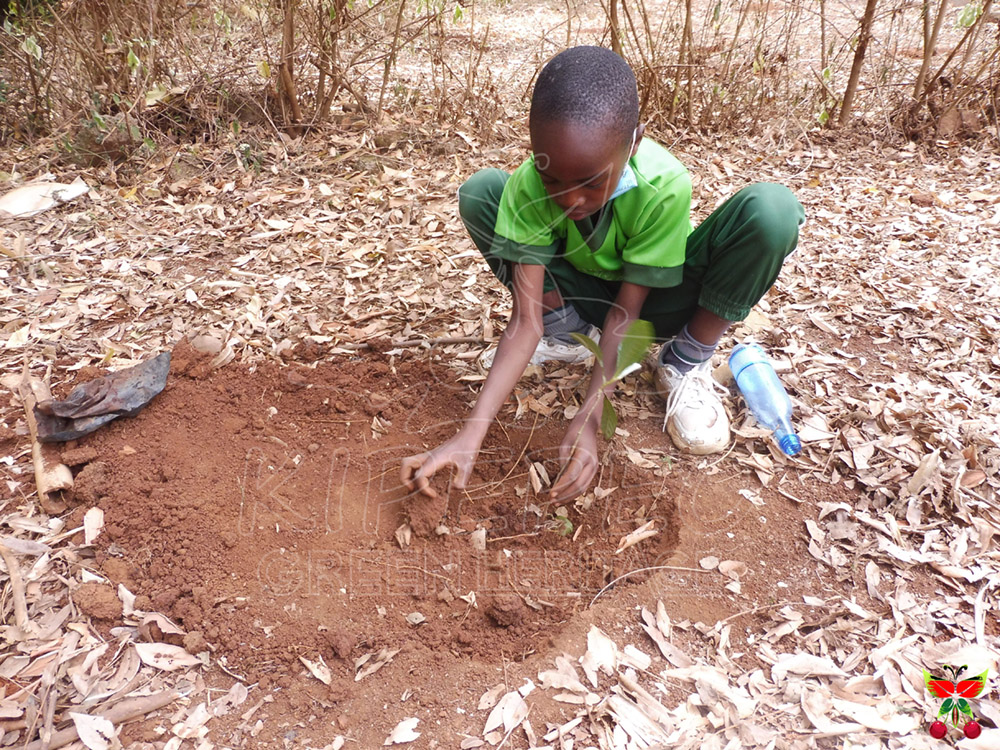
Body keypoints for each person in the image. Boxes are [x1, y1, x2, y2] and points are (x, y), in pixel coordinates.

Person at [401, 46, 804, 503]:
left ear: (634, 144)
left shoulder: (663, 184)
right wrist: (470, 433)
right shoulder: (529, 186)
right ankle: (569, 334)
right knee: (483, 191)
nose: (570, 200)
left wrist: (589, 418)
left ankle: (686, 360)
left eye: (591, 182)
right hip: (584, 294)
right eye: (552, 180)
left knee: (772, 211)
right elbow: (524, 320)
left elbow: (626, 315)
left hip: (653, 303)